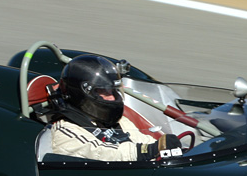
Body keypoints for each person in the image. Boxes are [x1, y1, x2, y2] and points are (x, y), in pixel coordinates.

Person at [49, 55, 182, 161]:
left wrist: (163, 146)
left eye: (112, 91)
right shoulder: (65, 131)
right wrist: (148, 150)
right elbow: (103, 153)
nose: (112, 98)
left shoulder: (116, 121)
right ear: (81, 93)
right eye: (103, 91)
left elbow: (141, 139)